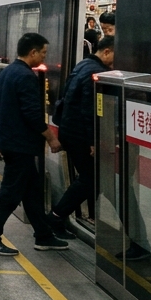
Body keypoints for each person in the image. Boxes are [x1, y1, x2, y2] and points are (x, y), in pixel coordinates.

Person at [0, 33, 71, 256]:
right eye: (43, 53)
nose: (45, 57)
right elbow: (32, 114)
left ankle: (43, 235)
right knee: (10, 194)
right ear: (33, 52)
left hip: (11, 141)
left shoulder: (7, 72)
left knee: (32, 191)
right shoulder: (26, 76)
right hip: (20, 145)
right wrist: (51, 138)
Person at [49, 34, 114, 237]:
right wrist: (93, 140)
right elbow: (89, 108)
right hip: (80, 135)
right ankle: (56, 217)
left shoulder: (83, 64)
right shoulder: (96, 71)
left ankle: (65, 216)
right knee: (89, 179)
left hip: (70, 130)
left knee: (89, 178)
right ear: (106, 51)